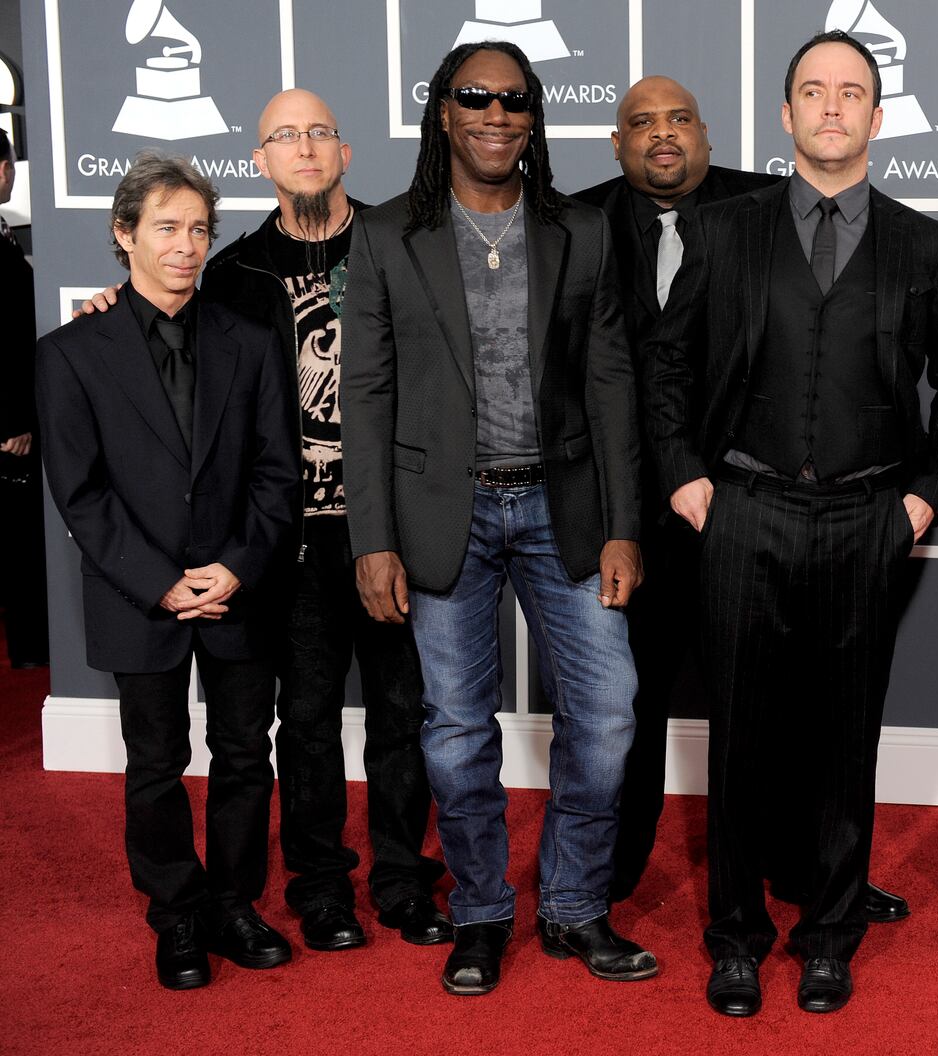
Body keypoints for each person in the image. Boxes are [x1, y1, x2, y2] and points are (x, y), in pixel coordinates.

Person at [644, 31, 938, 1016]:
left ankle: (828, 934)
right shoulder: (721, 232)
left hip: (867, 515)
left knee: (844, 740)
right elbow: (665, 365)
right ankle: (737, 937)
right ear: (786, 115)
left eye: (851, 94)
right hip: (742, 510)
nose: (831, 108)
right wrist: (682, 478)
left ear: (876, 120)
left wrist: (920, 496)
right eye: (812, 92)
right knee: (741, 738)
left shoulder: (927, 245)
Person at [80, 89, 451, 953]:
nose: (306, 148)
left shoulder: (403, 246)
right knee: (309, 718)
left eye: (320, 131)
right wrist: (107, 306)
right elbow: (156, 312)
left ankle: (401, 879)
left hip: (390, 522)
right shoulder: (234, 271)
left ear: (347, 151)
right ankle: (320, 888)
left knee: (405, 711)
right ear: (261, 162)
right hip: (286, 536)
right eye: (285, 136)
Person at [341, 41, 652, 997]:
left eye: (514, 101)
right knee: (455, 729)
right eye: (473, 96)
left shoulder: (581, 231)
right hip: (446, 513)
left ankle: (571, 904)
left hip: (564, 504)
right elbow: (367, 392)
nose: (494, 113)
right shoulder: (389, 234)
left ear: (534, 118)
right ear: (442, 112)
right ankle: (481, 911)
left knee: (605, 717)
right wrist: (374, 538)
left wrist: (623, 523)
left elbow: (610, 381)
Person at [571, 75, 908, 923]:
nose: (662, 135)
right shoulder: (574, 224)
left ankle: (805, 868)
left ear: (709, 133)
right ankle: (608, 872)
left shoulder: (769, 211)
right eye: (641, 123)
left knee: (793, 703)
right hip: (624, 512)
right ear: (616, 144)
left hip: (749, 507)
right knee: (626, 703)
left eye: (679, 118)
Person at [34, 154, 299, 990]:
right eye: (166, 228)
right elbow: (81, 495)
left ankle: (232, 902)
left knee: (244, 753)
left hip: (237, 588)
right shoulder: (70, 352)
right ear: (124, 235)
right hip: (136, 594)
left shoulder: (251, 341)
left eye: (198, 230)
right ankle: (175, 912)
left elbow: (278, 471)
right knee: (154, 762)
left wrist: (236, 565)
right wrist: (161, 581)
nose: (186, 246)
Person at [0, 127, 49, 669]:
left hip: (17, 411)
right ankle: (29, 651)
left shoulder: (4, 233)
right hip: (8, 423)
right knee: (17, 544)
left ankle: (31, 649)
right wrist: (8, 419)